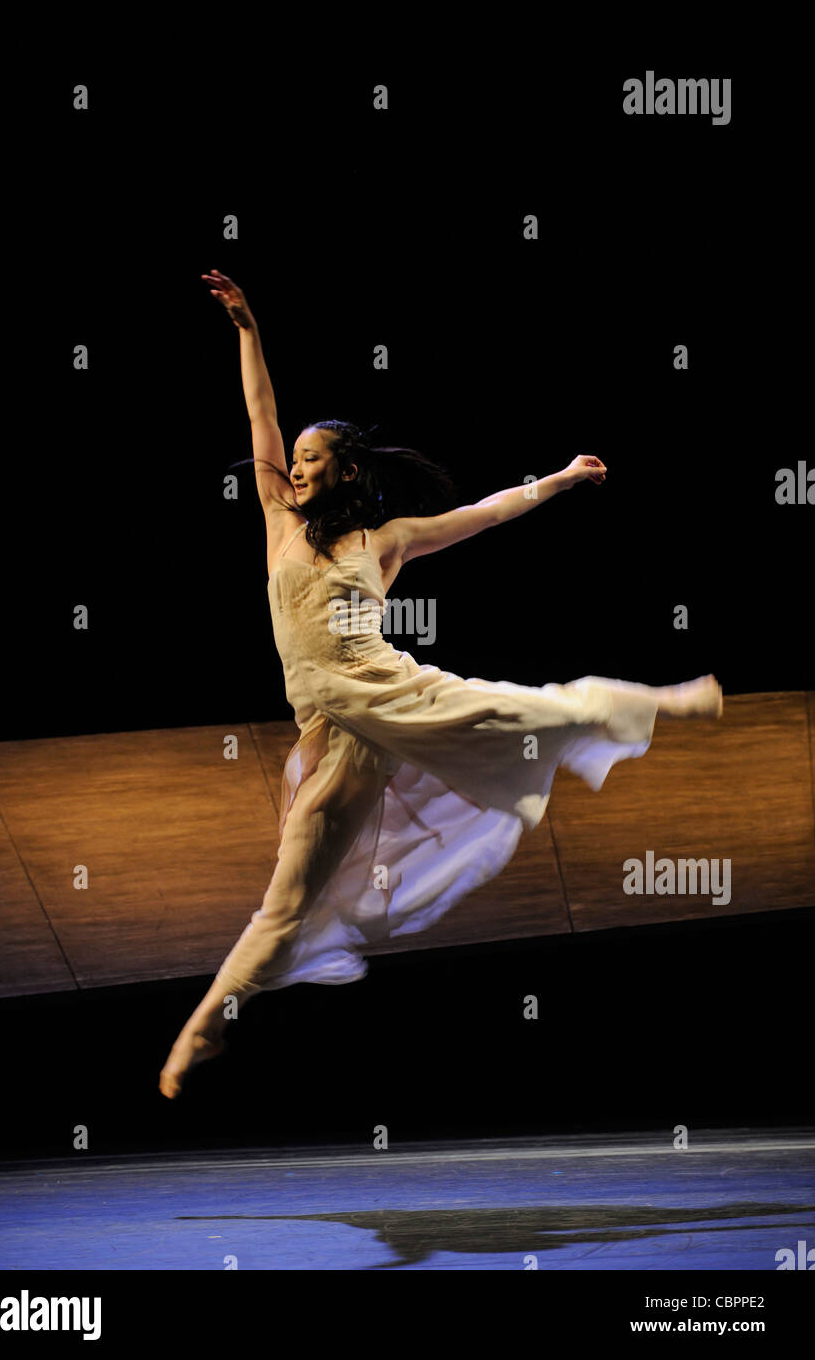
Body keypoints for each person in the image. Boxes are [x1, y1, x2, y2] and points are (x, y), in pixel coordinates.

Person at [158, 272, 722, 1099]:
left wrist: (559, 479)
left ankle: (669, 701)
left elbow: (487, 514)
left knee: (529, 708)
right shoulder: (278, 521)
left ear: (345, 473)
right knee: (286, 902)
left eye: (314, 459)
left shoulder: (385, 541)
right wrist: (247, 328)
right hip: (335, 741)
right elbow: (260, 419)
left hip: (393, 692)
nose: (296, 467)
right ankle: (203, 1029)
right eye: (295, 460)